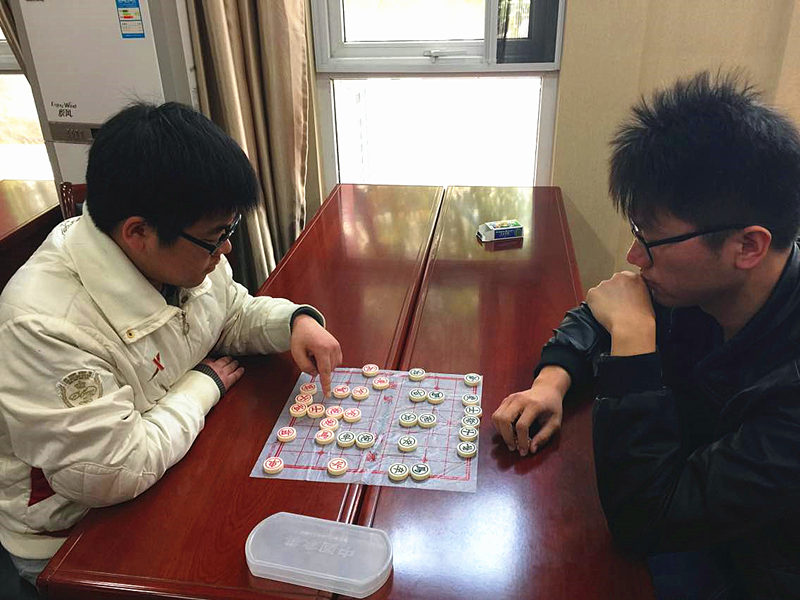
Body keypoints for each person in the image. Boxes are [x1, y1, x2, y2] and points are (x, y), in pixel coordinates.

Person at [0, 102, 342, 588]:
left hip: (171, 464)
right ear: (138, 232)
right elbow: (114, 471)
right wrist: (204, 385)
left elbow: (228, 311)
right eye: (215, 237)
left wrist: (293, 322)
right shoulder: (41, 323)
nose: (226, 249)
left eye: (229, 231)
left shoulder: (183, 254)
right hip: (72, 536)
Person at [492, 71, 800, 599]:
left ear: (748, 246)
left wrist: (634, 339)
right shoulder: (712, 282)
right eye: (637, 233)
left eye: (651, 241)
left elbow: (645, 523)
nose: (635, 257)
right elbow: (603, 311)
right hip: (692, 511)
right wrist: (551, 383)